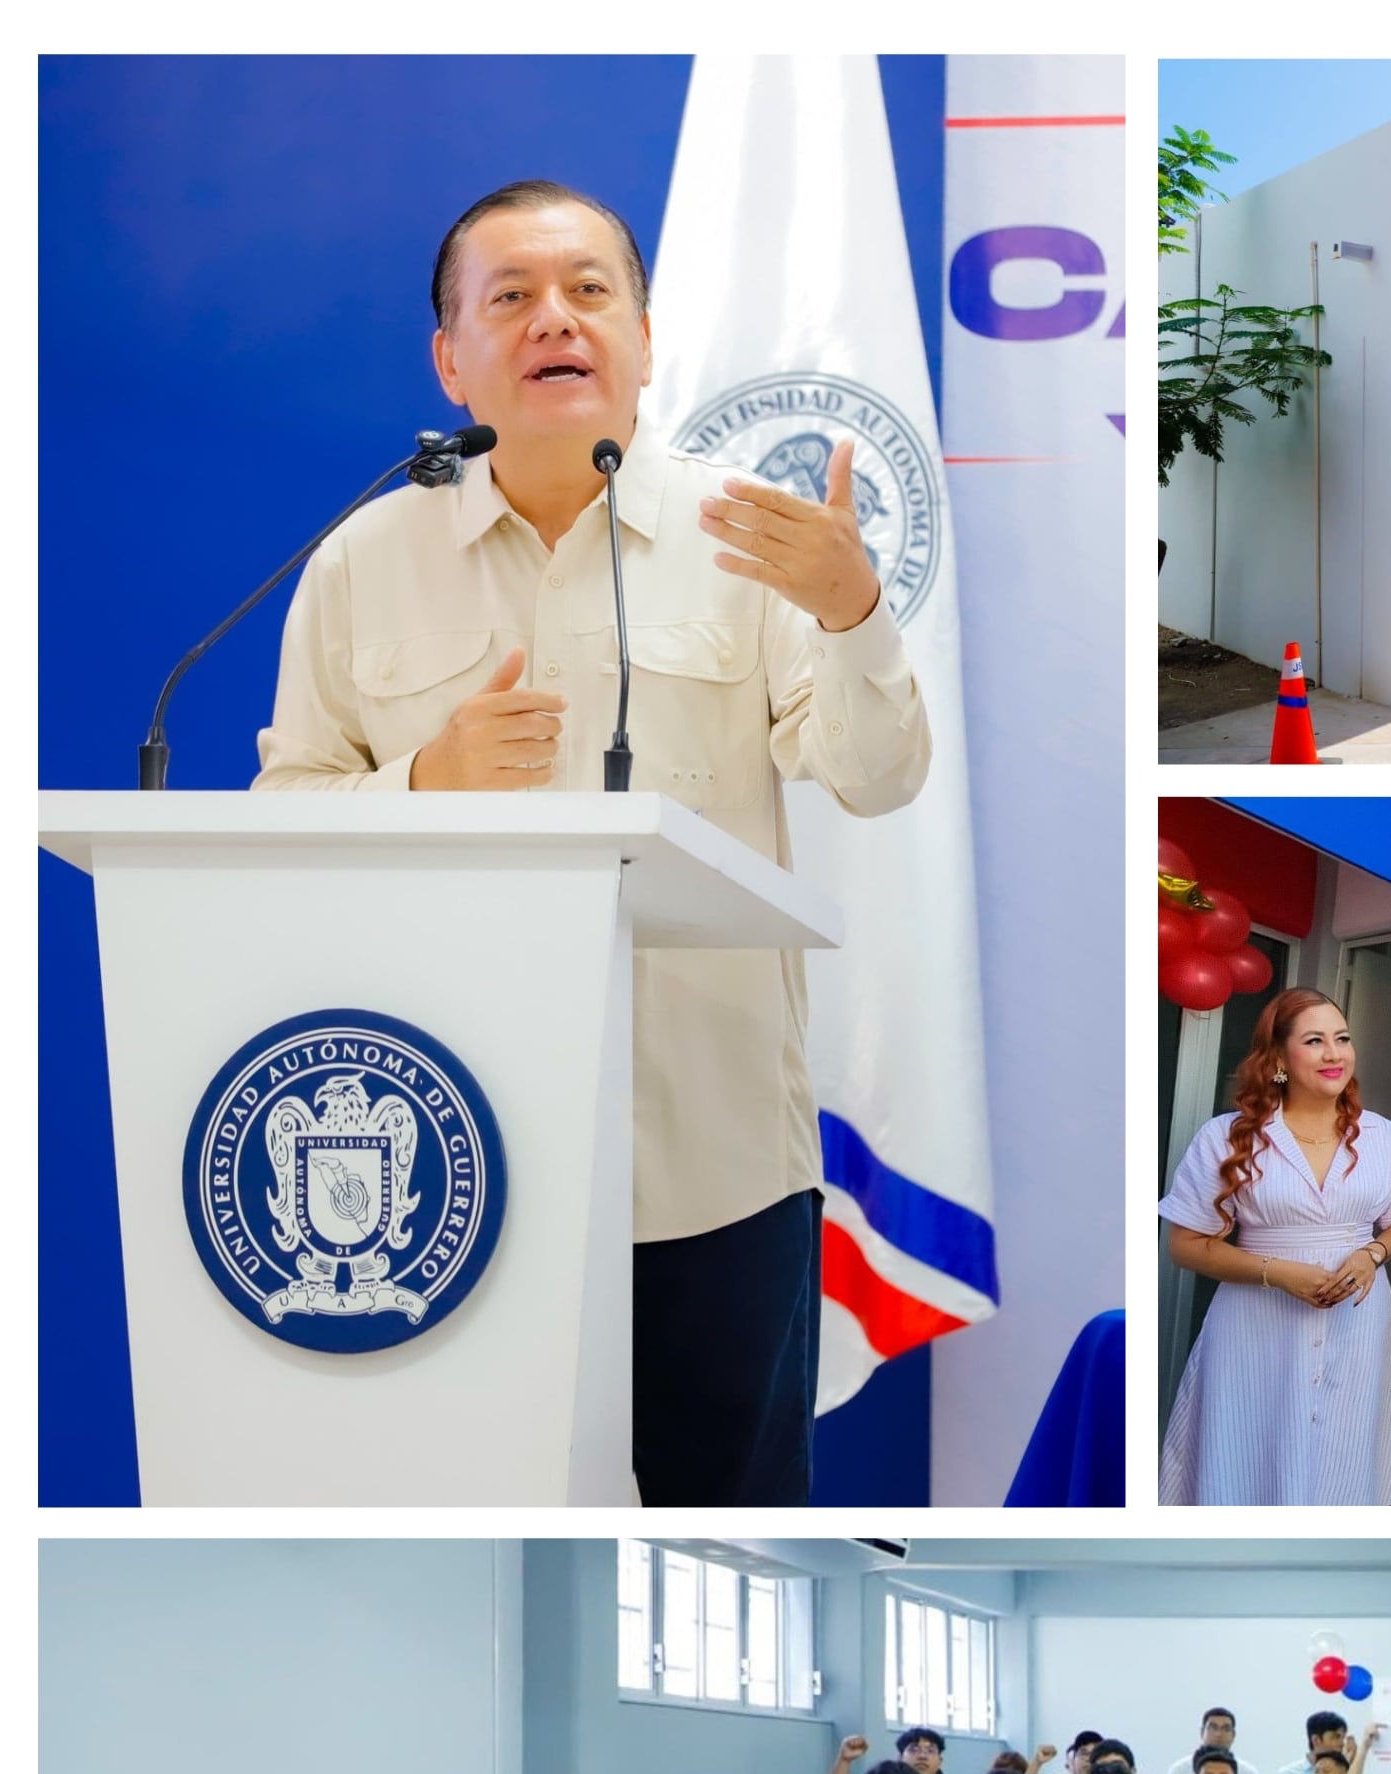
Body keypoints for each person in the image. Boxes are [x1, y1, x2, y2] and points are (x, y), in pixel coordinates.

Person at [257, 179, 930, 1500]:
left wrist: (854, 611)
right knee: (477, 1518)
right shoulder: (361, 561)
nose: (554, 319)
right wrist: (424, 784)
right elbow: (282, 825)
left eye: (587, 291)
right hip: (447, 1166)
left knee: (729, 1516)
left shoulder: (752, 540)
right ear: (452, 361)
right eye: (509, 297)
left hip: (717, 1166)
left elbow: (876, 776)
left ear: (644, 338)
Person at [1159, 989, 1391, 1503]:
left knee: (1346, 1463)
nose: (1334, 1053)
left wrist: (1371, 1254)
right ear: (1279, 1057)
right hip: (1254, 1326)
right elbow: (1186, 1246)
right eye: (1315, 1041)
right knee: (1245, 1459)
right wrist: (1277, 1272)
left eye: (1342, 1038)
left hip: (1359, 1324)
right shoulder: (1226, 1136)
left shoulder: (1385, 1138)